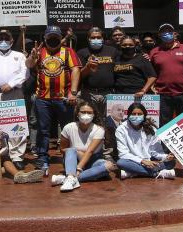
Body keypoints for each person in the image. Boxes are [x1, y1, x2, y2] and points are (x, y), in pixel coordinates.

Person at [27, 26, 81, 170]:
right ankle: (43, 157)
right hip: (42, 98)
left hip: (63, 98)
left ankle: (68, 156)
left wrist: (73, 93)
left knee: (67, 129)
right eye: (49, 37)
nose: (52, 39)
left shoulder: (68, 51)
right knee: (43, 129)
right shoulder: (39, 51)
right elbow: (28, 65)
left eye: (56, 37)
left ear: (60, 38)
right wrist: (32, 56)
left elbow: (76, 69)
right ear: (45, 38)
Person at [49, 101, 111, 192]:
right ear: (77, 113)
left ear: (94, 115)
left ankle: (68, 178)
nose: (86, 115)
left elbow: (90, 151)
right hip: (73, 162)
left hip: (92, 162)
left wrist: (79, 169)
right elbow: (62, 149)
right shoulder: (68, 127)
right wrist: (77, 152)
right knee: (70, 150)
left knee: (108, 166)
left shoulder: (99, 129)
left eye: (89, 112)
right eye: (83, 112)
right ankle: (72, 176)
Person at [149, 23, 183, 127]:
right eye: (163, 32)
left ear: (175, 34)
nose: (166, 34)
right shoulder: (154, 52)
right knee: (165, 125)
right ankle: (164, 144)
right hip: (163, 95)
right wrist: (151, 86)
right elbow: (150, 72)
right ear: (159, 35)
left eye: (169, 31)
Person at [77, 27, 118, 159]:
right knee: (90, 122)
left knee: (109, 124)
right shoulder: (82, 52)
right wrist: (88, 67)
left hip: (108, 93)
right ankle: (93, 152)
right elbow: (79, 75)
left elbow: (123, 66)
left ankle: (108, 153)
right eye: (93, 38)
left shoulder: (112, 51)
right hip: (89, 93)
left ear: (103, 38)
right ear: (88, 39)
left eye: (98, 37)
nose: (96, 40)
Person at [116, 103, 177, 179]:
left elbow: (155, 152)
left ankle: (133, 173)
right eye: (133, 114)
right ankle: (156, 173)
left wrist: (166, 157)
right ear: (128, 115)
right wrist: (142, 161)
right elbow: (123, 154)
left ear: (144, 115)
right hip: (132, 161)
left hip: (150, 162)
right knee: (121, 163)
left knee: (171, 163)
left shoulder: (151, 129)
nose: (136, 116)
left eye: (139, 114)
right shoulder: (121, 129)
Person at [0, 29, 27, 102]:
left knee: (16, 114)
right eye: (1, 39)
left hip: (15, 93)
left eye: (6, 39)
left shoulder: (20, 55)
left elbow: (25, 73)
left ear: (12, 41)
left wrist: (11, 84)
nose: (3, 41)